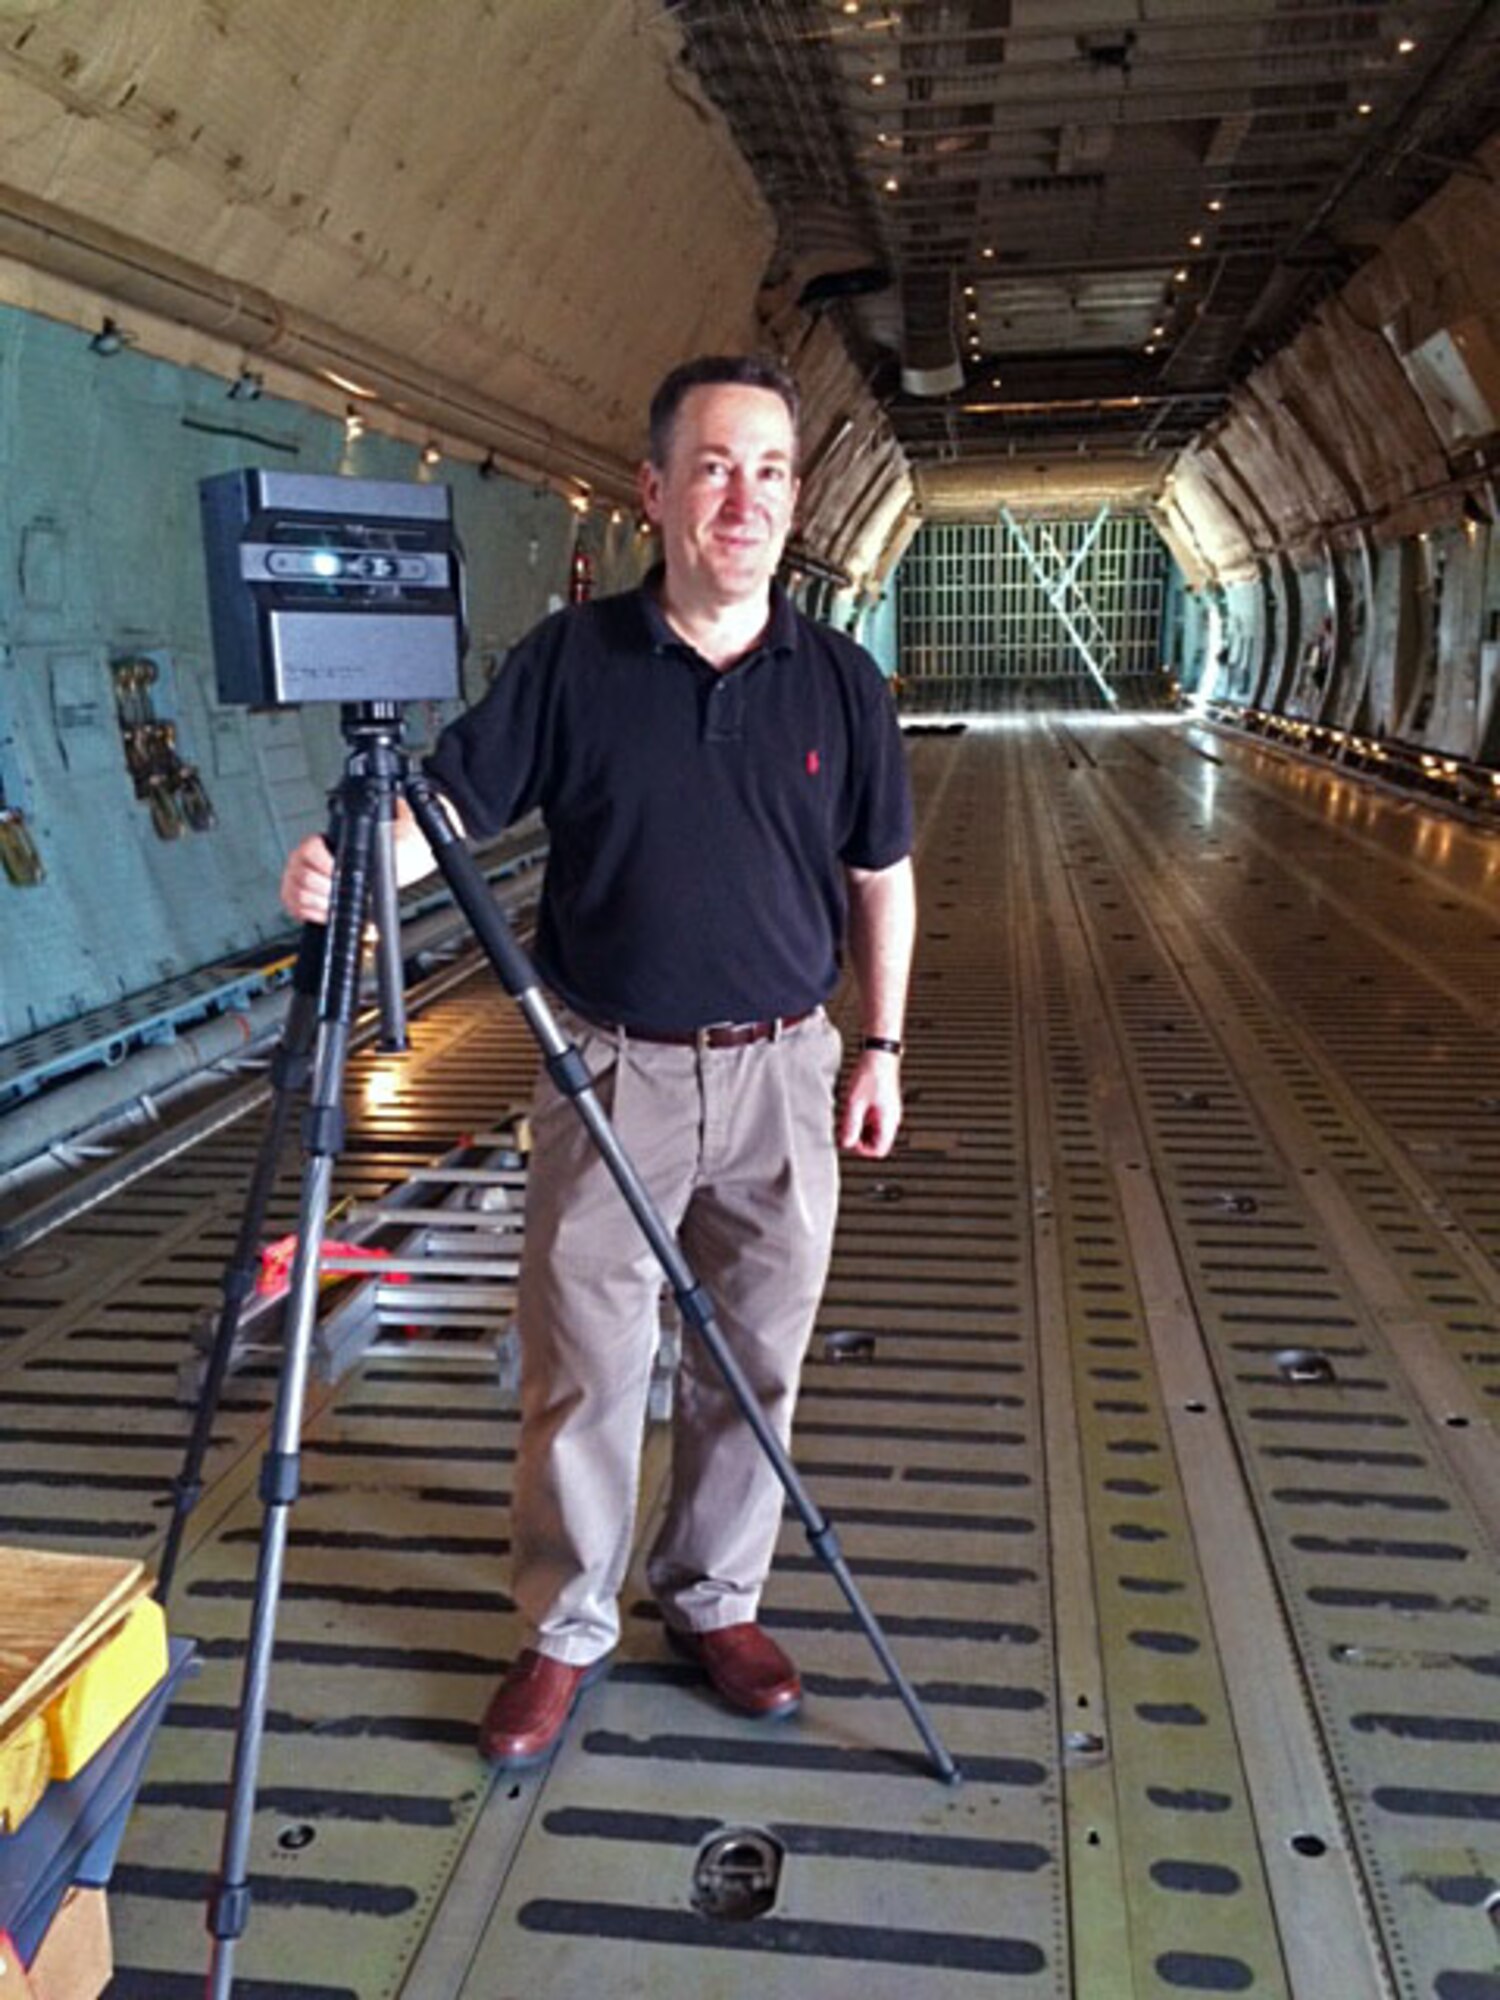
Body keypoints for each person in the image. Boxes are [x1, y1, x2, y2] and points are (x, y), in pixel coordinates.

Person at [281, 355, 915, 1768]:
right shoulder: (571, 665)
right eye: (712, 465)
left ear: (797, 499)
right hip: (606, 1071)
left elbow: (883, 878)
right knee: (584, 1363)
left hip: (784, 1072)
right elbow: (443, 803)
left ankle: (713, 1598)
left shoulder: (845, 685)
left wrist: (877, 1046)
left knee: (755, 1357)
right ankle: (568, 1626)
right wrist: (354, 857)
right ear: (655, 490)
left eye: (768, 470)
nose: (741, 496)